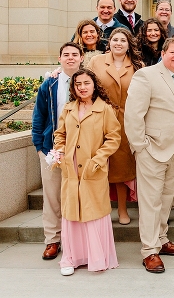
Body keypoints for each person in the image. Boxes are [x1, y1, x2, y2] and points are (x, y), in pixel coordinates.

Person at [124, 38, 174, 273]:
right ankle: (149, 250)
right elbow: (134, 114)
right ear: (163, 53)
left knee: (167, 200)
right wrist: (140, 146)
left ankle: (162, 240)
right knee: (150, 201)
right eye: (173, 52)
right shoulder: (146, 75)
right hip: (152, 149)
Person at [53, 69, 121, 276]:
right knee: (72, 211)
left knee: (93, 211)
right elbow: (60, 134)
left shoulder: (105, 109)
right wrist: (60, 151)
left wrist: (97, 160)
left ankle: (96, 256)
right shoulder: (68, 109)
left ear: (94, 85)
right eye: (78, 84)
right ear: (73, 88)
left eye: (86, 83)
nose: (82, 87)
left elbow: (113, 138)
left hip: (93, 169)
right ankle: (71, 258)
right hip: (71, 168)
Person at [32, 42, 85, 262]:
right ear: (59, 59)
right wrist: (39, 148)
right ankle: (53, 240)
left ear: (82, 57)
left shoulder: (88, 83)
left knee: (77, 197)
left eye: (74, 54)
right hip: (52, 149)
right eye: (66, 55)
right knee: (52, 197)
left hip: (81, 151)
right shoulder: (50, 84)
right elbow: (39, 116)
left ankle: (76, 241)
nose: (70, 58)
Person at [87, 28, 144, 226]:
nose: (119, 43)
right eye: (115, 40)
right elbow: (84, 82)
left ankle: (122, 209)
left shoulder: (138, 66)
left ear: (129, 44)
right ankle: (98, 209)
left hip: (126, 123)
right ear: (109, 42)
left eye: (123, 40)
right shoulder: (96, 62)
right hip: (100, 120)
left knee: (121, 169)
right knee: (99, 164)